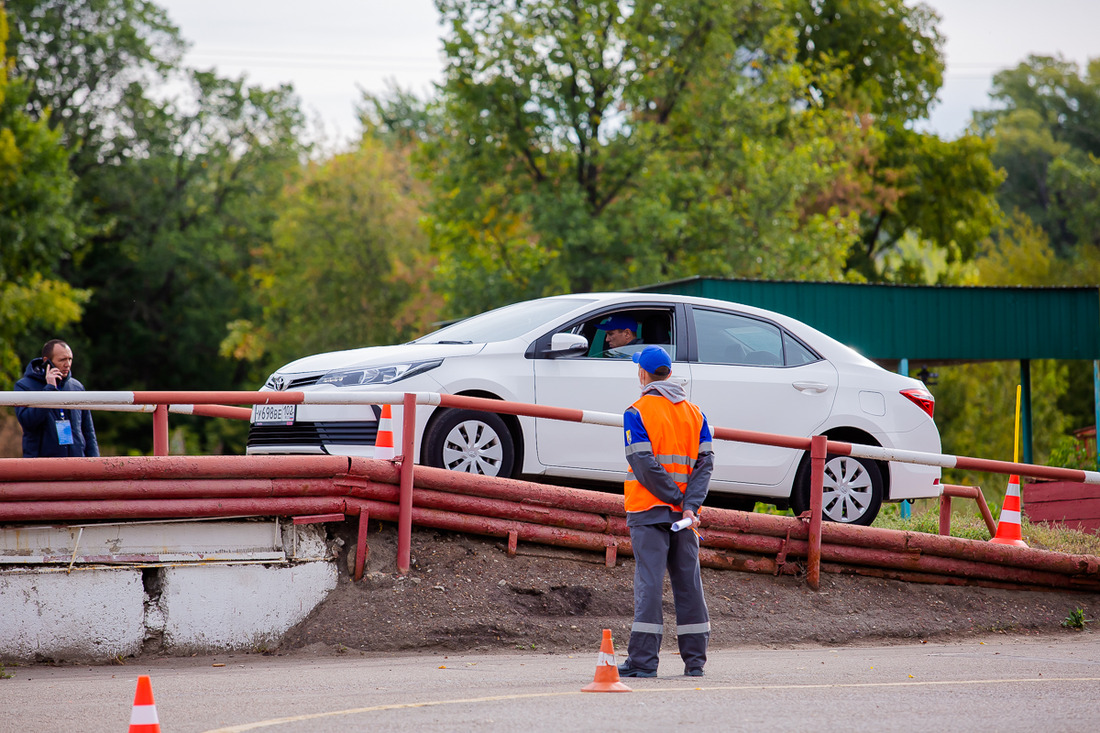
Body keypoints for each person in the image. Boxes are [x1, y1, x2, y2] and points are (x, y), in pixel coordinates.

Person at [617, 345, 712, 678]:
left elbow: (642, 463)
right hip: (685, 517)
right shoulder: (696, 413)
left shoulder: (637, 411)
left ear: (643, 374)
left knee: (650, 584)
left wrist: (673, 497)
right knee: (688, 585)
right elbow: (705, 464)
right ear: (669, 373)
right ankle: (695, 663)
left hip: (648, 512)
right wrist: (688, 504)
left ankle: (643, 664)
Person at [14, 339, 99, 457]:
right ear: (46, 361)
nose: (67, 364)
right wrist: (49, 389)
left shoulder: (76, 387)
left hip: (77, 464)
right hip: (42, 466)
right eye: (62, 360)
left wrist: (94, 463)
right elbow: (28, 422)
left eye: (70, 359)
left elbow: (88, 432)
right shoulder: (24, 386)